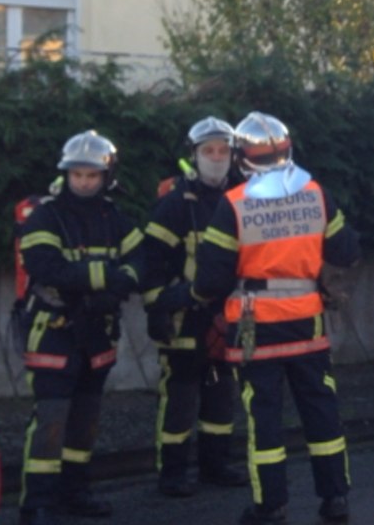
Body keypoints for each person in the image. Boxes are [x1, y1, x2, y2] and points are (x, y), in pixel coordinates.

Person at [158, 112, 360, 525]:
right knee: (321, 410)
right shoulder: (316, 193)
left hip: (253, 328)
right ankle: (336, 499)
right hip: (308, 325)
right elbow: (346, 251)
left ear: (242, 159)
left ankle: (271, 507)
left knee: (263, 418)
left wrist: (183, 296)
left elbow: (211, 280)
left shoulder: (235, 204)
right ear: (288, 152)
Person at [16, 131, 143, 525]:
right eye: (78, 175)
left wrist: (110, 280)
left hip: (97, 334)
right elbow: (45, 267)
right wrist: (108, 278)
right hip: (53, 331)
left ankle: (75, 493)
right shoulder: (45, 216)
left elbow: (141, 263)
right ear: (66, 175)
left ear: (106, 176)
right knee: (51, 417)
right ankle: (36, 504)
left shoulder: (116, 218)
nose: (84, 182)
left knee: (85, 419)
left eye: (92, 175)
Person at [142, 116, 249, 497]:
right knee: (181, 398)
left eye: (223, 150)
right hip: (184, 316)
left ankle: (215, 465)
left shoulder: (242, 197)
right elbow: (150, 263)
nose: (216, 157)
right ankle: (172, 473)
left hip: (228, 317)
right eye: (208, 151)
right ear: (194, 155)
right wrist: (156, 309)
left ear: (233, 155)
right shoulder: (175, 204)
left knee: (221, 394)